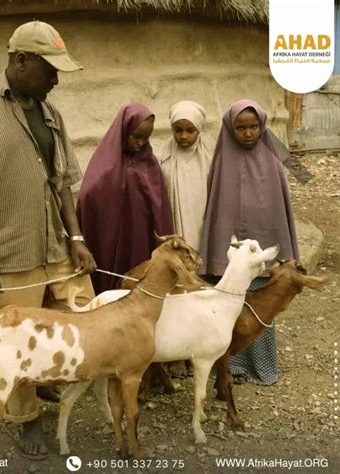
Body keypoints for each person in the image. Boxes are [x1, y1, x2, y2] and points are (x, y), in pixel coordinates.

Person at [0, 21, 96, 460]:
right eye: (51, 69)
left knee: (75, 316)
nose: (56, 79)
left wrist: (77, 235)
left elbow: (64, 180)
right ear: (21, 61)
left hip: (54, 246)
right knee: (12, 340)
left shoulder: (52, 113)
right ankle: (24, 419)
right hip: (2, 253)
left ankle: (41, 382)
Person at [200, 99, 299, 385]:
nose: (248, 133)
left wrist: (283, 252)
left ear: (262, 126)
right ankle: (232, 368)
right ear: (231, 129)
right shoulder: (222, 161)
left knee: (262, 307)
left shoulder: (273, 159)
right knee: (231, 309)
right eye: (241, 128)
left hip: (264, 251)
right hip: (233, 261)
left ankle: (263, 366)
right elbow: (217, 209)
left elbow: (281, 209)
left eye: (254, 127)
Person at [77, 103, 174, 294]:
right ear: (123, 131)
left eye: (145, 139)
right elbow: (89, 195)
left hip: (140, 239)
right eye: (136, 137)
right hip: (110, 239)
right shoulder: (106, 164)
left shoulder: (149, 163)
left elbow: (159, 205)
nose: (140, 143)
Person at [159, 100, 213, 377]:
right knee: (174, 293)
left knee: (199, 293)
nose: (183, 136)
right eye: (177, 130)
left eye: (189, 130)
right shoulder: (163, 158)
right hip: (175, 234)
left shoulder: (211, 159)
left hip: (201, 231)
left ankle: (198, 351)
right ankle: (175, 356)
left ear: (199, 130)